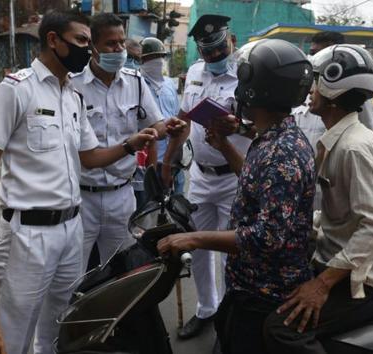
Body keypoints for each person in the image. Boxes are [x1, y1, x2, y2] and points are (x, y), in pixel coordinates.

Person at [0, 10, 159, 354]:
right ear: (53, 40)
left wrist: (131, 144)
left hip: (71, 228)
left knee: (60, 323)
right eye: (82, 41)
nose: (88, 50)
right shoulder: (16, 90)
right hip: (28, 233)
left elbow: (90, 156)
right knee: (12, 331)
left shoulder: (72, 96)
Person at [157, 38, 316, 354]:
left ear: (253, 89)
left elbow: (267, 237)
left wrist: (195, 239)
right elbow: (256, 184)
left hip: (263, 295)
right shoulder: (273, 137)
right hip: (249, 286)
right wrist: (225, 146)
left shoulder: (280, 152)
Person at [263, 44, 373, 354]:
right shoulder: (341, 138)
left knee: (280, 329)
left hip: (363, 276)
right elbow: (342, 216)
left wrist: (321, 285)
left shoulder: (353, 148)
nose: (310, 90)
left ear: (333, 89)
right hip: (336, 255)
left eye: (317, 82)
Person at [159, 14, 256, 340]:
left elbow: (264, 126)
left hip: (234, 177)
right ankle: (207, 309)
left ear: (232, 40)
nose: (213, 57)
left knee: (234, 252)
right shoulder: (197, 73)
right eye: (207, 51)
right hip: (201, 174)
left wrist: (239, 127)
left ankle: (232, 319)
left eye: (218, 49)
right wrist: (168, 161)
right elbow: (185, 120)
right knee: (197, 248)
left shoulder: (248, 74)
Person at [70, 13, 186, 272]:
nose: (119, 49)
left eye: (122, 42)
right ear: (93, 47)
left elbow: (153, 123)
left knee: (120, 273)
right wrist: (131, 144)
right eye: (111, 44)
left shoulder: (135, 83)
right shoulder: (73, 85)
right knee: (74, 274)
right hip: (82, 197)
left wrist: (166, 128)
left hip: (121, 196)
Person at [294, 31, 373, 150]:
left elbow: (372, 131)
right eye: (311, 53)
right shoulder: (302, 85)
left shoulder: (352, 90)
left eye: (318, 53)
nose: (313, 59)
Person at [140, 37, 185, 195]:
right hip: (151, 162)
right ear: (142, 60)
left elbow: (178, 119)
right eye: (151, 58)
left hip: (174, 160)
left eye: (160, 57)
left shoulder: (169, 84)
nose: (157, 61)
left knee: (176, 211)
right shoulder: (137, 85)